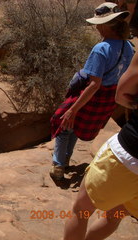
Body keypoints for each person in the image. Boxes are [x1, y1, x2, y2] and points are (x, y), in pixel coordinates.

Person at [50, 2, 134, 180]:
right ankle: (64, 159)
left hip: (94, 95)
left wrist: (73, 110)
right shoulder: (128, 47)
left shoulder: (101, 48)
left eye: (98, 24)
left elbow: (94, 84)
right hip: (110, 97)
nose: (97, 28)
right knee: (75, 126)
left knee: (64, 123)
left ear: (105, 25)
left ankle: (58, 165)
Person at [63, 41, 138, 240]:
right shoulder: (128, 47)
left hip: (129, 155)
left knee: (82, 211)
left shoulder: (101, 49)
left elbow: (122, 94)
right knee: (116, 215)